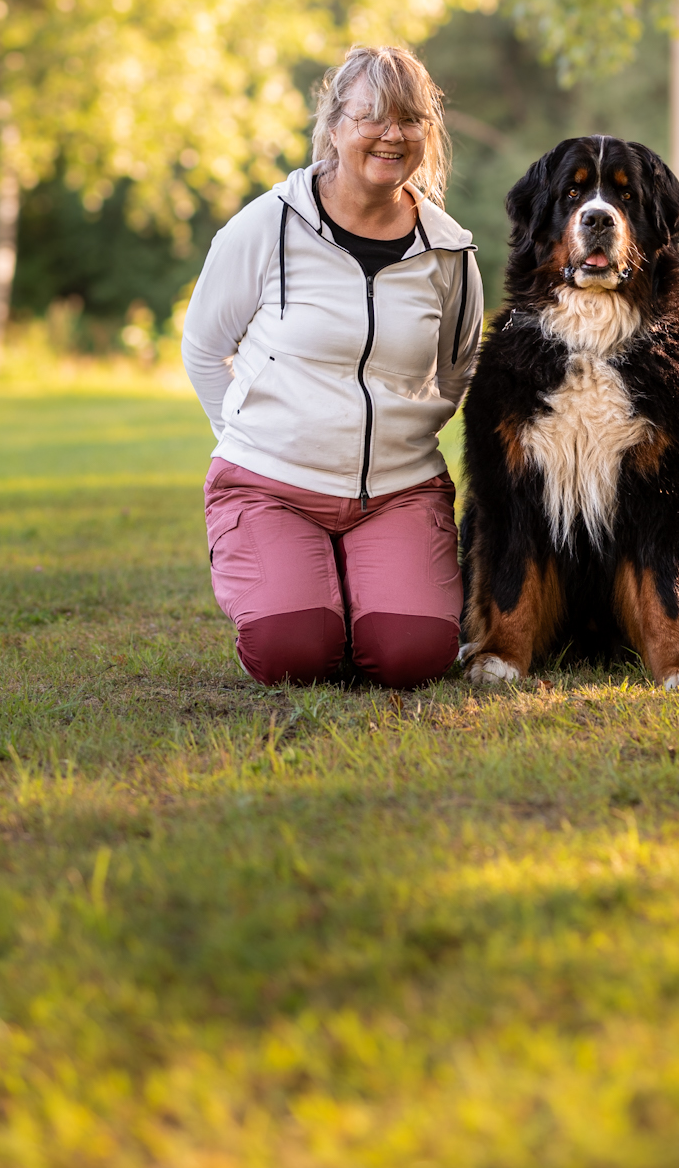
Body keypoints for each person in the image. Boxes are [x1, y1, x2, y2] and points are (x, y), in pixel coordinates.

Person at [181, 44, 483, 689]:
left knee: (414, 655)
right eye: (371, 116)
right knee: (292, 656)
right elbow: (205, 347)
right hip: (270, 486)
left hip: (398, 491)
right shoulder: (267, 224)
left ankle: (359, 586)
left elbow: (458, 367)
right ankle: (311, 594)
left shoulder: (449, 251)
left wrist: (401, 434)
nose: (390, 134)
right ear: (336, 125)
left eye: (409, 119)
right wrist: (249, 439)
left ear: (426, 134)